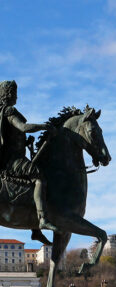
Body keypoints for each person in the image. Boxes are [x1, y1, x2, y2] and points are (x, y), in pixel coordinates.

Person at [0, 80, 57, 231]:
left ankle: (35, 231)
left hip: (13, 156)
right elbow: (23, 127)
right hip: (13, 161)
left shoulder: (3, 112)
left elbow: (11, 138)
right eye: (15, 93)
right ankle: (42, 220)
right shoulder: (9, 111)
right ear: (9, 94)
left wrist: (26, 143)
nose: (16, 97)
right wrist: (44, 126)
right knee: (39, 178)